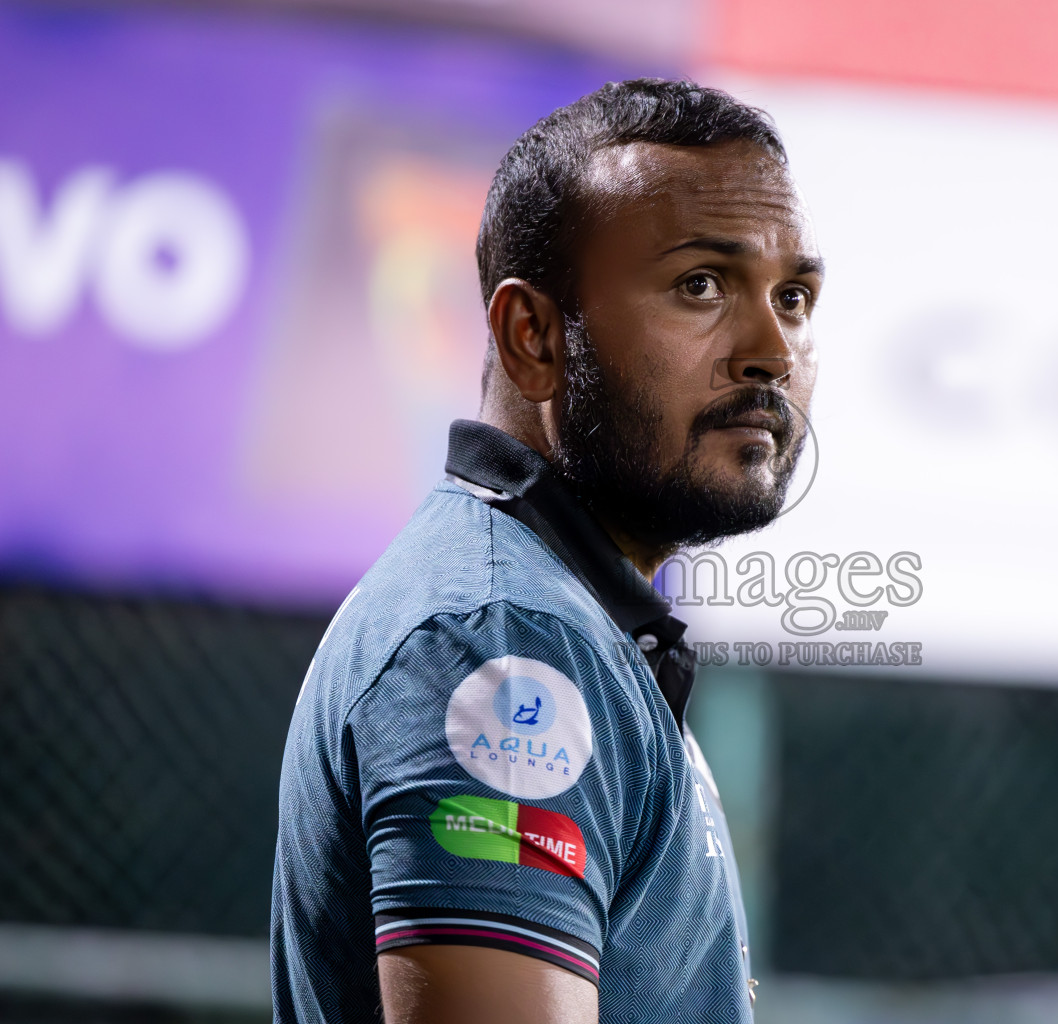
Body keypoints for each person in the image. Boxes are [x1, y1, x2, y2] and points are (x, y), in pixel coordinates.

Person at [270, 78, 823, 1024]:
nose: (772, 347)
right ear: (533, 338)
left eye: (794, 295)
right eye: (701, 285)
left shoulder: (562, 621)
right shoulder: (503, 643)